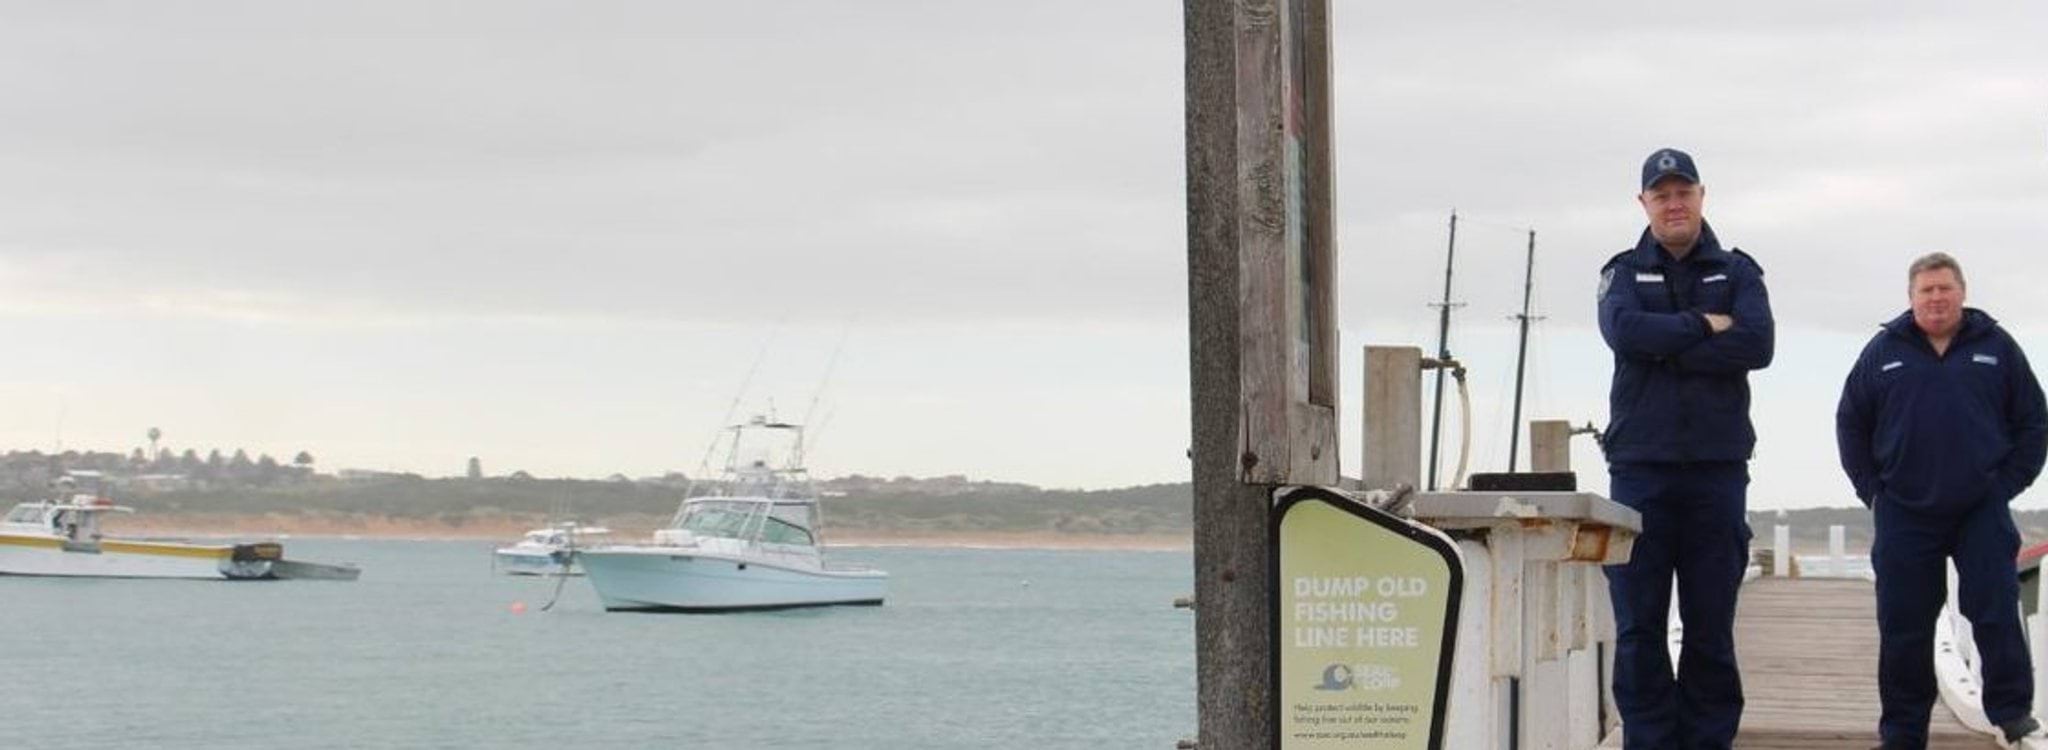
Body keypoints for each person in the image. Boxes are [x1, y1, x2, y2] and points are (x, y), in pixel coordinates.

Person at [1597, 147, 1774, 749]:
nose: (1674, 204)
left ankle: (1707, 741)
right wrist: (1703, 325)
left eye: (1684, 192)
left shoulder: (1738, 272)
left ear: (1702, 196)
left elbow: (1757, 344)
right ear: (1643, 202)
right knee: (1638, 627)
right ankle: (1648, 740)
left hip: (1716, 472)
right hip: (1639, 472)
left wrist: (1664, 347)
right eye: (1662, 194)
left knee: (1710, 628)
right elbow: (1624, 332)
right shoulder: (1623, 272)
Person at [1835, 252, 2048, 749]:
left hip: (1980, 509)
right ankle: (1903, 732)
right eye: (1926, 290)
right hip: (1904, 511)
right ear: (1911, 298)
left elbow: (2034, 421)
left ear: (1962, 292)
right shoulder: (1882, 351)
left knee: (1996, 611)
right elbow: (1851, 423)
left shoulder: (1997, 347)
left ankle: (2012, 713)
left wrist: (2005, 485)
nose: (1936, 298)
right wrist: (1873, 491)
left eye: (1944, 288)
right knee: (1904, 627)